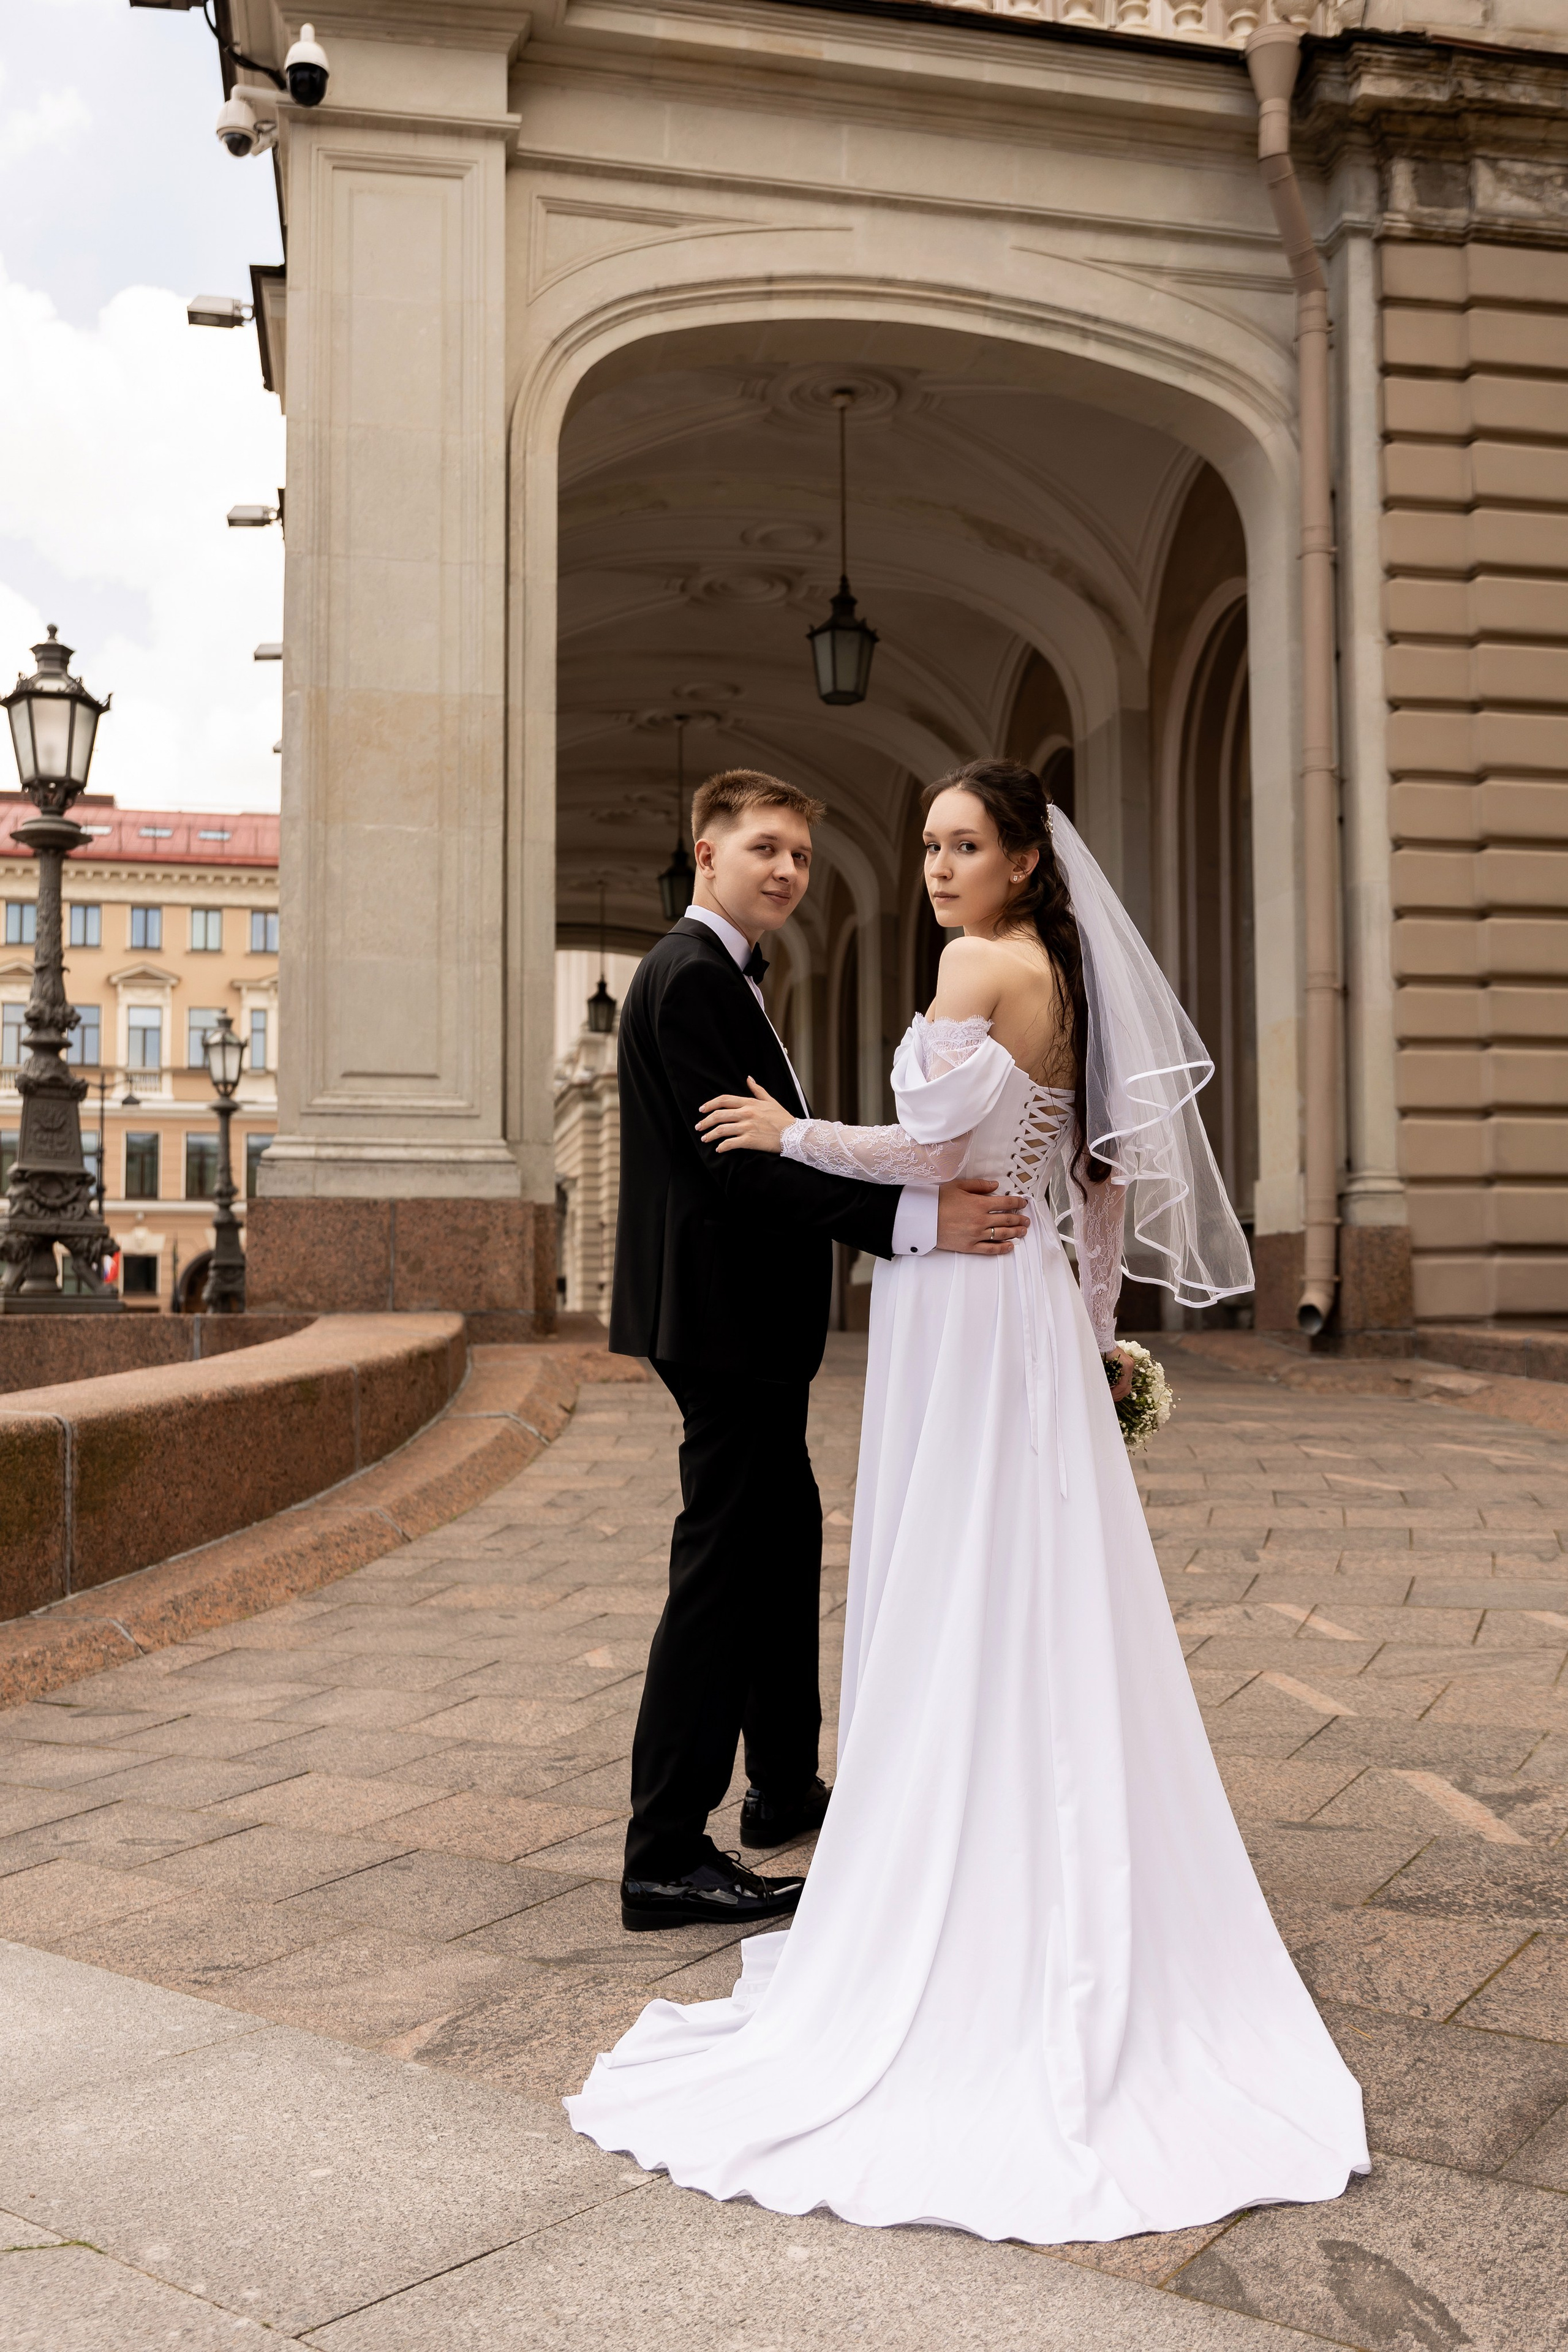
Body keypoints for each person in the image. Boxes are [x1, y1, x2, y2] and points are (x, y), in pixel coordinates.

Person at [570, 759, 1368, 2245]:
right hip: (1020, 1317)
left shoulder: (968, 963)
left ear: (1017, 859)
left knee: (938, 1565)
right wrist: (1086, 1325)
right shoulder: (1064, 972)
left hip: (954, 1295)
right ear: (710, 854)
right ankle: (808, 1804)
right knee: (1026, 1571)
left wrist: (793, 1134)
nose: (932, 869)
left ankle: (849, 1821)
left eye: (959, 845)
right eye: (924, 847)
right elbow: (1095, 1176)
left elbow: (931, 1156)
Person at [609, 767, 1031, 1935]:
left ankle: (784, 1787)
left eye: (799, 851)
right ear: (706, 854)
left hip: (740, 1324)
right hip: (721, 1323)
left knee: (781, 1542)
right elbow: (740, 1173)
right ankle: (664, 1851)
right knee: (722, 1572)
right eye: (764, 849)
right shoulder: (693, 978)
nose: (788, 869)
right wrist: (917, 1224)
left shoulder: (727, 977)